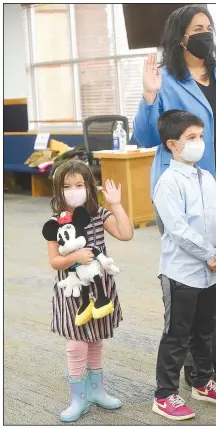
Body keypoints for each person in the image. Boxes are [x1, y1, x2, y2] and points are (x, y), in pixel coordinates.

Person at [133, 4, 216, 385]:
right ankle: (193, 360)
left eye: (209, 26)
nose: (206, 33)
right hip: (184, 193)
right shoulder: (165, 78)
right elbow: (144, 137)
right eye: (197, 27)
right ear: (180, 37)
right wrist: (148, 95)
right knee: (190, 275)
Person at [152, 109, 216, 421]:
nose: (199, 143)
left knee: (204, 331)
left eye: (200, 136)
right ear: (173, 145)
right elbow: (177, 230)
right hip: (181, 274)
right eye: (191, 138)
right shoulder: (168, 182)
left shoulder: (207, 178)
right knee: (177, 335)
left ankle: (202, 382)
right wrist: (210, 254)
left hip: (211, 272)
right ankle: (164, 395)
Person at [45, 160, 133, 422]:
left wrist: (116, 204)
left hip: (100, 288)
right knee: (76, 343)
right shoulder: (55, 223)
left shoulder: (99, 214)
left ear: (89, 187)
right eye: (67, 186)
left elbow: (126, 234)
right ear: (58, 191)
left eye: (79, 184)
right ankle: (78, 398)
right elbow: (54, 261)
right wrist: (75, 257)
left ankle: (96, 391)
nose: (74, 190)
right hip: (73, 291)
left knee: (95, 340)